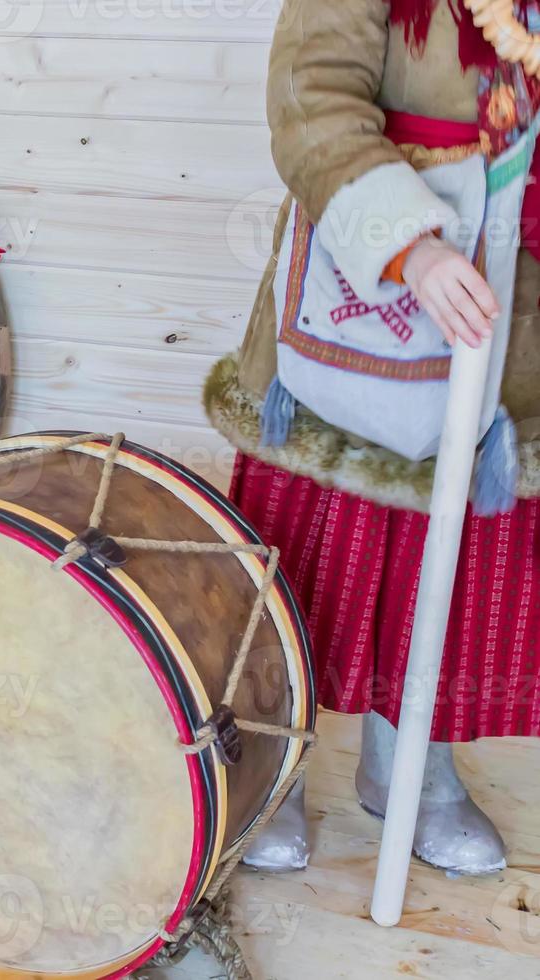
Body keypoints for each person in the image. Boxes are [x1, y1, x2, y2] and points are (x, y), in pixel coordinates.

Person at [205, 0, 540, 874]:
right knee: (314, 564)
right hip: (370, 310)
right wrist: (412, 245)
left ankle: (414, 766)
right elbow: (310, 94)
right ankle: (275, 762)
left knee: (462, 560)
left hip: (520, 316)